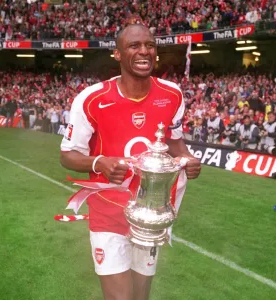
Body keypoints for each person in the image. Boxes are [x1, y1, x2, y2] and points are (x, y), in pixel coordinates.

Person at [60, 24, 201, 300]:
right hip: (108, 213)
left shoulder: (172, 95)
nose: (144, 51)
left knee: (140, 296)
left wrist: (186, 157)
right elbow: (67, 155)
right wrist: (100, 163)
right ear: (117, 54)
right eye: (134, 46)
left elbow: (173, 140)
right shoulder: (91, 99)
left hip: (150, 213)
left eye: (149, 45)